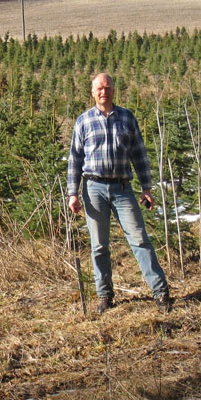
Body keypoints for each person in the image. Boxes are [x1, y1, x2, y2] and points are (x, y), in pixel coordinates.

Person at [67, 73, 173, 314]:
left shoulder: (127, 117)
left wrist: (146, 188)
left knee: (139, 240)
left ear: (114, 90)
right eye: (99, 89)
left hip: (123, 188)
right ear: (92, 92)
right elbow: (75, 159)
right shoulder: (83, 121)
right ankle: (105, 296)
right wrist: (73, 193)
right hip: (93, 189)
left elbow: (139, 155)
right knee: (99, 246)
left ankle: (161, 293)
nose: (104, 92)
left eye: (108, 88)